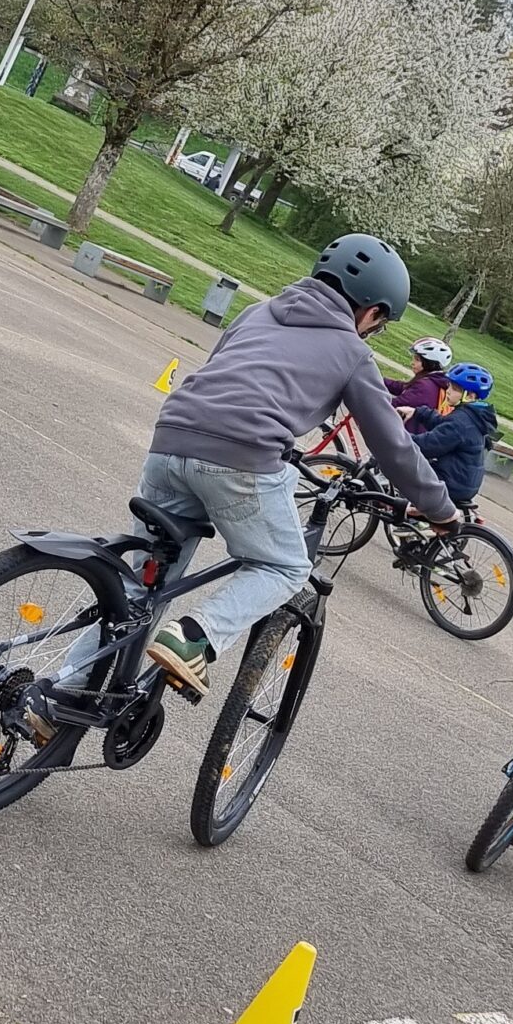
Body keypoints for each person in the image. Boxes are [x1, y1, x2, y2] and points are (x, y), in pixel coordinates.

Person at [137, 236, 460, 700]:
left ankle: (60, 698)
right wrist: (440, 509)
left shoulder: (257, 312)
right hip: (241, 458)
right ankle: (194, 636)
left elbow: (222, 375)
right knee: (286, 567)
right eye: (380, 323)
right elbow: (393, 446)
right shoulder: (352, 351)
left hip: (170, 439)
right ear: (371, 312)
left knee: (139, 589)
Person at [409, 363, 497, 509]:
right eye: (449, 386)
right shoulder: (471, 415)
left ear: (470, 396)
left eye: (455, 389)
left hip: (451, 484)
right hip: (463, 483)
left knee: (404, 468)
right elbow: (444, 426)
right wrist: (418, 412)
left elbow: (429, 445)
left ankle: (416, 513)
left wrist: (398, 436)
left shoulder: (462, 421)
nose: (448, 391)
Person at [384, 336, 453, 425]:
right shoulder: (436, 380)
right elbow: (403, 387)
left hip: (405, 431)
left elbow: (393, 404)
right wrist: (377, 379)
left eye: (417, 359)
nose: (412, 362)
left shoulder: (425, 387)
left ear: (430, 363)